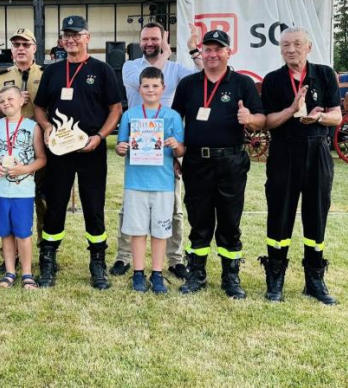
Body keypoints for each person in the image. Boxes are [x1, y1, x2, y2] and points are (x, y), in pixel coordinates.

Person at [171, 29, 265, 299]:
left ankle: (230, 276)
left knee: (229, 221)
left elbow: (261, 118)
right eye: (207, 49)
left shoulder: (242, 83)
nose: (212, 54)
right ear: (201, 52)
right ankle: (197, 274)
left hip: (231, 161)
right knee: (198, 219)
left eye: (218, 49)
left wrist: (251, 118)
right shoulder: (188, 84)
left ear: (228, 52)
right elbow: (176, 122)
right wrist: (175, 156)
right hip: (196, 161)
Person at [33, 15, 123, 290]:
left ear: (87, 38)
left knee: (93, 206)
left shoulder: (103, 69)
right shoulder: (52, 71)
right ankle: (48, 261)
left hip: (91, 150)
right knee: (55, 205)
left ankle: (97, 263)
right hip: (60, 150)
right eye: (66, 35)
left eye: (76, 34)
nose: (70, 39)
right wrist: (47, 126)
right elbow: (39, 107)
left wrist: (100, 137)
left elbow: (115, 109)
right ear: (61, 40)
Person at [111, 22, 202, 279]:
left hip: (165, 151)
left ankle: (174, 259)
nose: (149, 43)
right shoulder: (131, 67)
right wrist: (166, 54)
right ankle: (124, 256)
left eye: (155, 38)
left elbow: (205, 73)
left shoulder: (176, 69)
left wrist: (193, 50)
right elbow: (151, 73)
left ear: (165, 38)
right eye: (145, 39)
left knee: (173, 208)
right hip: (139, 153)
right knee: (130, 208)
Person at [260, 27, 341, 305]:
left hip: (317, 150)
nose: (290, 49)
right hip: (284, 152)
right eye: (285, 45)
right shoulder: (273, 80)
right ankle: (275, 278)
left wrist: (319, 118)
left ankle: (314, 279)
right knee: (279, 215)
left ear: (308, 47)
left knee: (316, 215)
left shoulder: (325, 74)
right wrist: (293, 109)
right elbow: (268, 122)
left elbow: (337, 116)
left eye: (296, 44)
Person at [116, 67, 184, 293]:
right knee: (137, 231)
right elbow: (120, 146)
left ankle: (156, 273)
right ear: (139, 88)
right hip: (136, 181)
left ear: (163, 88)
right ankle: (137, 273)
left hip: (163, 183)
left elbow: (182, 151)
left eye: (155, 86)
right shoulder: (130, 115)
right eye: (146, 86)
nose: (151, 90)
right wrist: (121, 147)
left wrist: (176, 146)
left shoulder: (172, 116)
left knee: (160, 231)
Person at [0, 28, 46, 274]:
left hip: (38, 147)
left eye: (25, 44)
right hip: (6, 148)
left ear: (34, 47)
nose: (21, 48)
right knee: (9, 203)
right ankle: (9, 258)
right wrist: (11, 102)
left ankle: (44, 251)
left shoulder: (46, 74)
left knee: (42, 202)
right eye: (16, 44)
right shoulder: (1, 78)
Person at [0, 85, 46, 289]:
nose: (6, 103)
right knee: (5, 232)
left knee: (23, 233)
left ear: (21, 101)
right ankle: (10, 272)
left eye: (10, 99)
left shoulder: (32, 127)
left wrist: (25, 169)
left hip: (23, 191)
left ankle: (27, 273)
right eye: (2, 101)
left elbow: (42, 158)